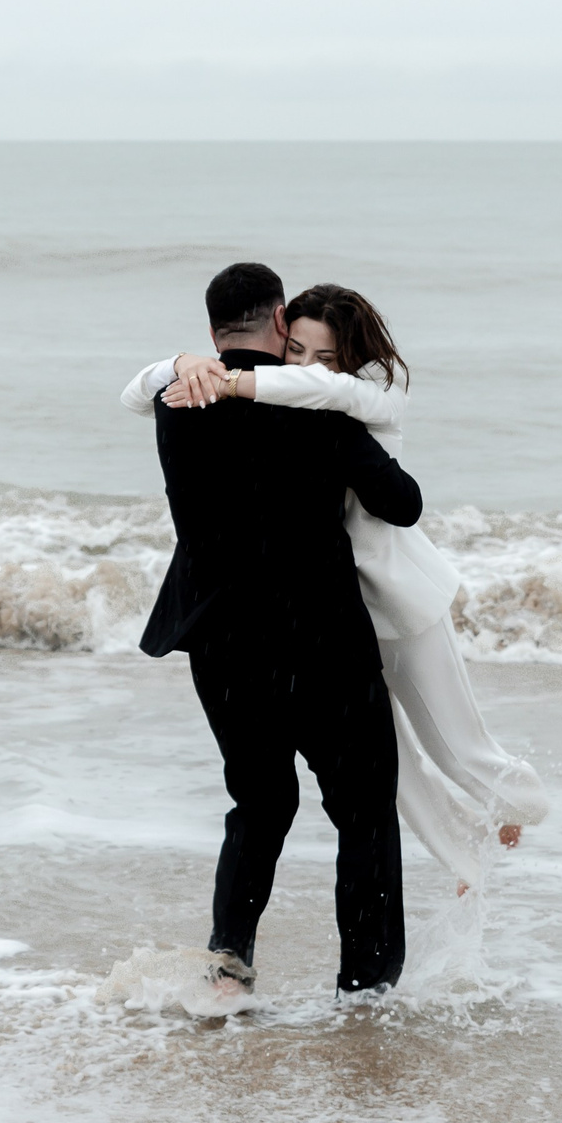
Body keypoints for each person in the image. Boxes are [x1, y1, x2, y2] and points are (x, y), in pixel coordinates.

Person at [121, 282, 550, 897]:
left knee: (458, 746)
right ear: (277, 331)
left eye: (321, 356)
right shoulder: (297, 404)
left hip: (406, 598)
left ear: (344, 361)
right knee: (394, 775)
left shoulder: (366, 397)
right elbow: (139, 394)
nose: (301, 367)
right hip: (348, 612)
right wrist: (180, 364)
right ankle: (468, 860)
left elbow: (320, 392)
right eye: (293, 349)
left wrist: (227, 376)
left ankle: (522, 804)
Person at [138, 262, 426, 999]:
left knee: (260, 804)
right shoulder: (320, 410)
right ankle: (366, 988)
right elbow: (402, 504)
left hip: (224, 644)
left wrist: (175, 366)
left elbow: (144, 387)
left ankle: (229, 963)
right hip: (321, 639)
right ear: (279, 325)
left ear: (211, 334)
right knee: (363, 814)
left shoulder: (176, 401)